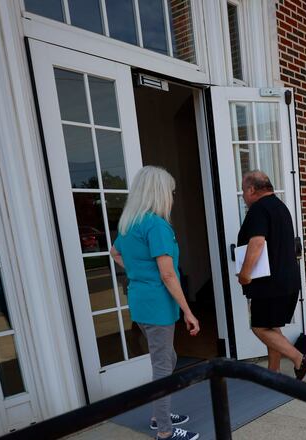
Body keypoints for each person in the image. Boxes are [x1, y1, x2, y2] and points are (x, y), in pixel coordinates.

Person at [110, 166, 200, 440]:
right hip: (157, 304)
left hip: (140, 302)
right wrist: (188, 311)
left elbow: (114, 253)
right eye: (170, 192)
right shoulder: (156, 225)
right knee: (163, 366)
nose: (172, 197)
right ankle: (164, 431)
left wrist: (137, 272)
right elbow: (168, 273)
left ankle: (157, 414)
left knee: (167, 358)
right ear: (159, 193)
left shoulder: (129, 224)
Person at [237, 170, 306, 379]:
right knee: (271, 326)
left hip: (269, 284)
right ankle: (274, 372)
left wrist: (245, 274)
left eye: (244, 190)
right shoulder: (281, 207)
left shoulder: (258, 209)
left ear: (252, 189)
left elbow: (257, 242)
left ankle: (299, 358)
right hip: (288, 280)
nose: (243, 196)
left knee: (260, 328)